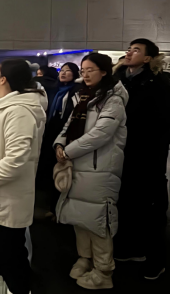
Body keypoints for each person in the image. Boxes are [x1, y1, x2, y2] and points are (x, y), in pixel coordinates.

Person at [0, 59, 48, 294]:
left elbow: (16, 158)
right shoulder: (1, 106)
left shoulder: (19, 111)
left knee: (10, 254)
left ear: (3, 79)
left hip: (5, 197)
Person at [54, 53, 128, 290]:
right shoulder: (83, 96)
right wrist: (59, 144)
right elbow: (68, 125)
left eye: (90, 70)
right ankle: (85, 259)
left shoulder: (113, 99)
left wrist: (68, 151)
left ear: (104, 71)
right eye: (83, 70)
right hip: (77, 165)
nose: (85, 74)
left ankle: (103, 270)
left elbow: (101, 134)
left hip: (100, 167)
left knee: (98, 221)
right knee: (80, 217)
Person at [113, 39, 170, 280]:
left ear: (148, 58)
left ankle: (156, 259)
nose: (129, 52)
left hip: (148, 154)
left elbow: (165, 122)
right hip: (123, 152)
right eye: (129, 49)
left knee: (151, 207)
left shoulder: (158, 84)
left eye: (136, 50)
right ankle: (132, 249)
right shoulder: (120, 80)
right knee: (127, 202)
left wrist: (152, 146)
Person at [36, 62, 81, 216]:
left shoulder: (77, 91)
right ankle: (48, 205)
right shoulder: (54, 90)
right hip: (49, 132)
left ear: (75, 74)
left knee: (61, 168)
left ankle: (57, 209)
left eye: (67, 71)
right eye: (62, 70)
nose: (63, 73)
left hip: (65, 133)